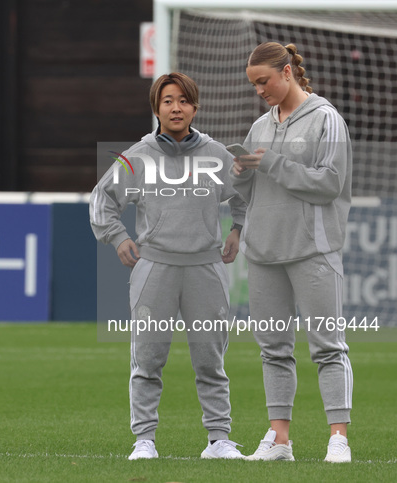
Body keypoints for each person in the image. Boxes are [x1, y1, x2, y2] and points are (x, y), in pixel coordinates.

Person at [90, 72, 247, 460]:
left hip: (206, 269)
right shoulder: (137, 156)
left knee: (211, 358)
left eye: (183, 100)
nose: (175, 107)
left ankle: (218, 441)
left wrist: (238, 229)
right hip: (154, 269)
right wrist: (118, 236)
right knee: (148, 358)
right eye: (167, 101)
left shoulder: (216, 154)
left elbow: (247, 191)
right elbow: (101, 201)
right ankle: (144, 440)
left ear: (195, 107)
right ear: (156, 107)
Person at [231, 42, 353, 463]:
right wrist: (236, 174)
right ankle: (279, 441)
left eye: (263, 81)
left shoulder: (326, 119)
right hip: (263, 253)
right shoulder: (259, 126)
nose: (259, 90)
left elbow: (330, 183)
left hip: (313, 251)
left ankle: (338, 437)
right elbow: (247, 190)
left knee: (327, 347)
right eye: (254, 84)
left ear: (287, 72)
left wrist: (272, 164)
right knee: (273, 349)